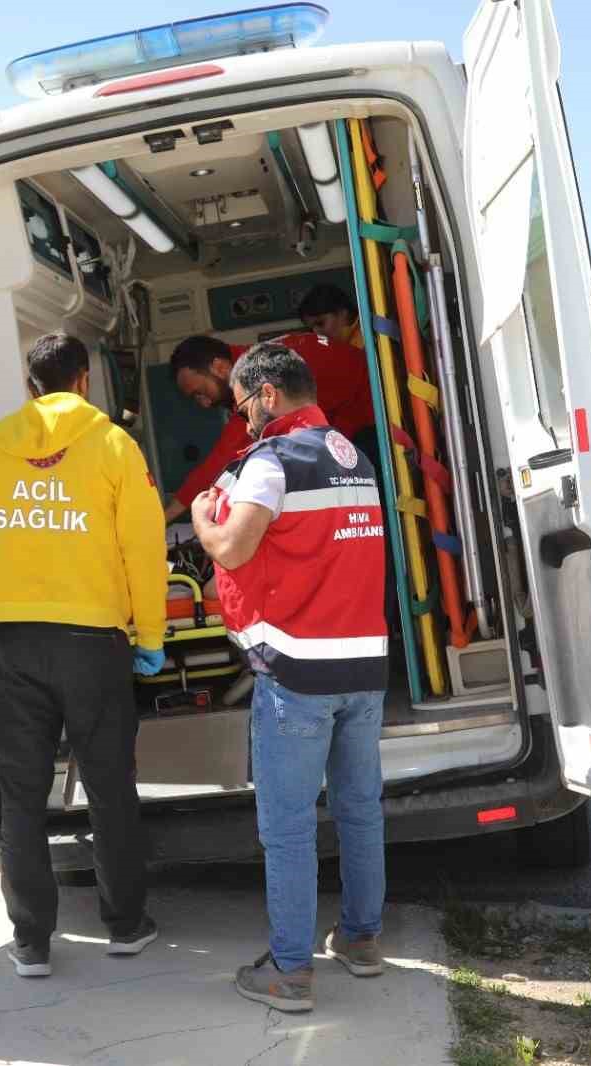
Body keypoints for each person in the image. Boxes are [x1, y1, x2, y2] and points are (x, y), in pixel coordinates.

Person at [0, 332, 168, 979]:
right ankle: (125, 926)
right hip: (93, 644)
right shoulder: (112, 445)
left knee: (20, 797)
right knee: (108, 790)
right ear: (84, 380)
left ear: (30, 382)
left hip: (11, 646)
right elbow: (143, 547)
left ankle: (31, 942)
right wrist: (148, 635)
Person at [188, 342, 389, 1014]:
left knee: (289, 826)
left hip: (299, 673)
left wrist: (200, 521)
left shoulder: (271, 462)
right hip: (365, 668)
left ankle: (290, 972)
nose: (243, 420)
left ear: (268, 396)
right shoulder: (353, 458)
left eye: (244, 405)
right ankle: (361, 941)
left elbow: (236, 546)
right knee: (360, 812)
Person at [163, 285, 374, 523]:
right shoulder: (265, 359)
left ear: (220, 368)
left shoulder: (260, 376)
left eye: (200, 392)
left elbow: (223, 457)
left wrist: (166, 516)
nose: (203, 403)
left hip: (376, 427)